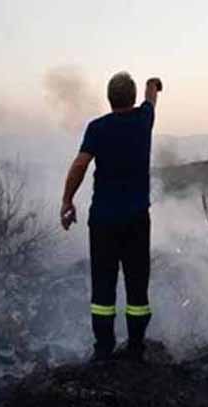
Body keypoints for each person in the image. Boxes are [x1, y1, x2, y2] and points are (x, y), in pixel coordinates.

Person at [60, 71, 162, 363]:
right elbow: (151, 96)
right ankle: (136, 347)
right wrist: (154, 84)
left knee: (103, 286)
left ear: (109, 98)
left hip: (103, 221)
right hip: (137, 221)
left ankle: (103, 349)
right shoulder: (144, 120)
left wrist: (67, 201)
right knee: (137, 285)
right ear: (131, 97)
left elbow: (80, 165)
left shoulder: (98, 128)